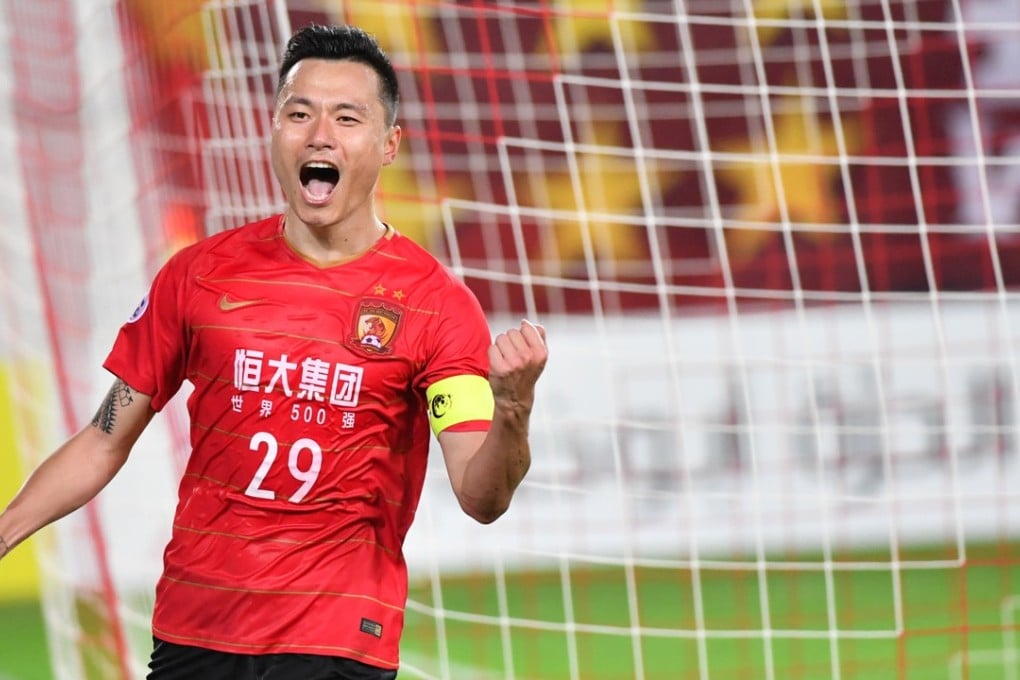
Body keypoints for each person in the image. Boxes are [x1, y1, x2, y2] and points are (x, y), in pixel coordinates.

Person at [0, 23, 547, 680]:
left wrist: (512, 409)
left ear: (389, 144)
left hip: (337, 637)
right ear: (272, 131)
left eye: (347, 117)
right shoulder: (199, 275)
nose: (319, 133)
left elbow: (480, 497)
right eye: (299, 113)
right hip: (195, 628)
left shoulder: (435, 304)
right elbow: (104, 437)